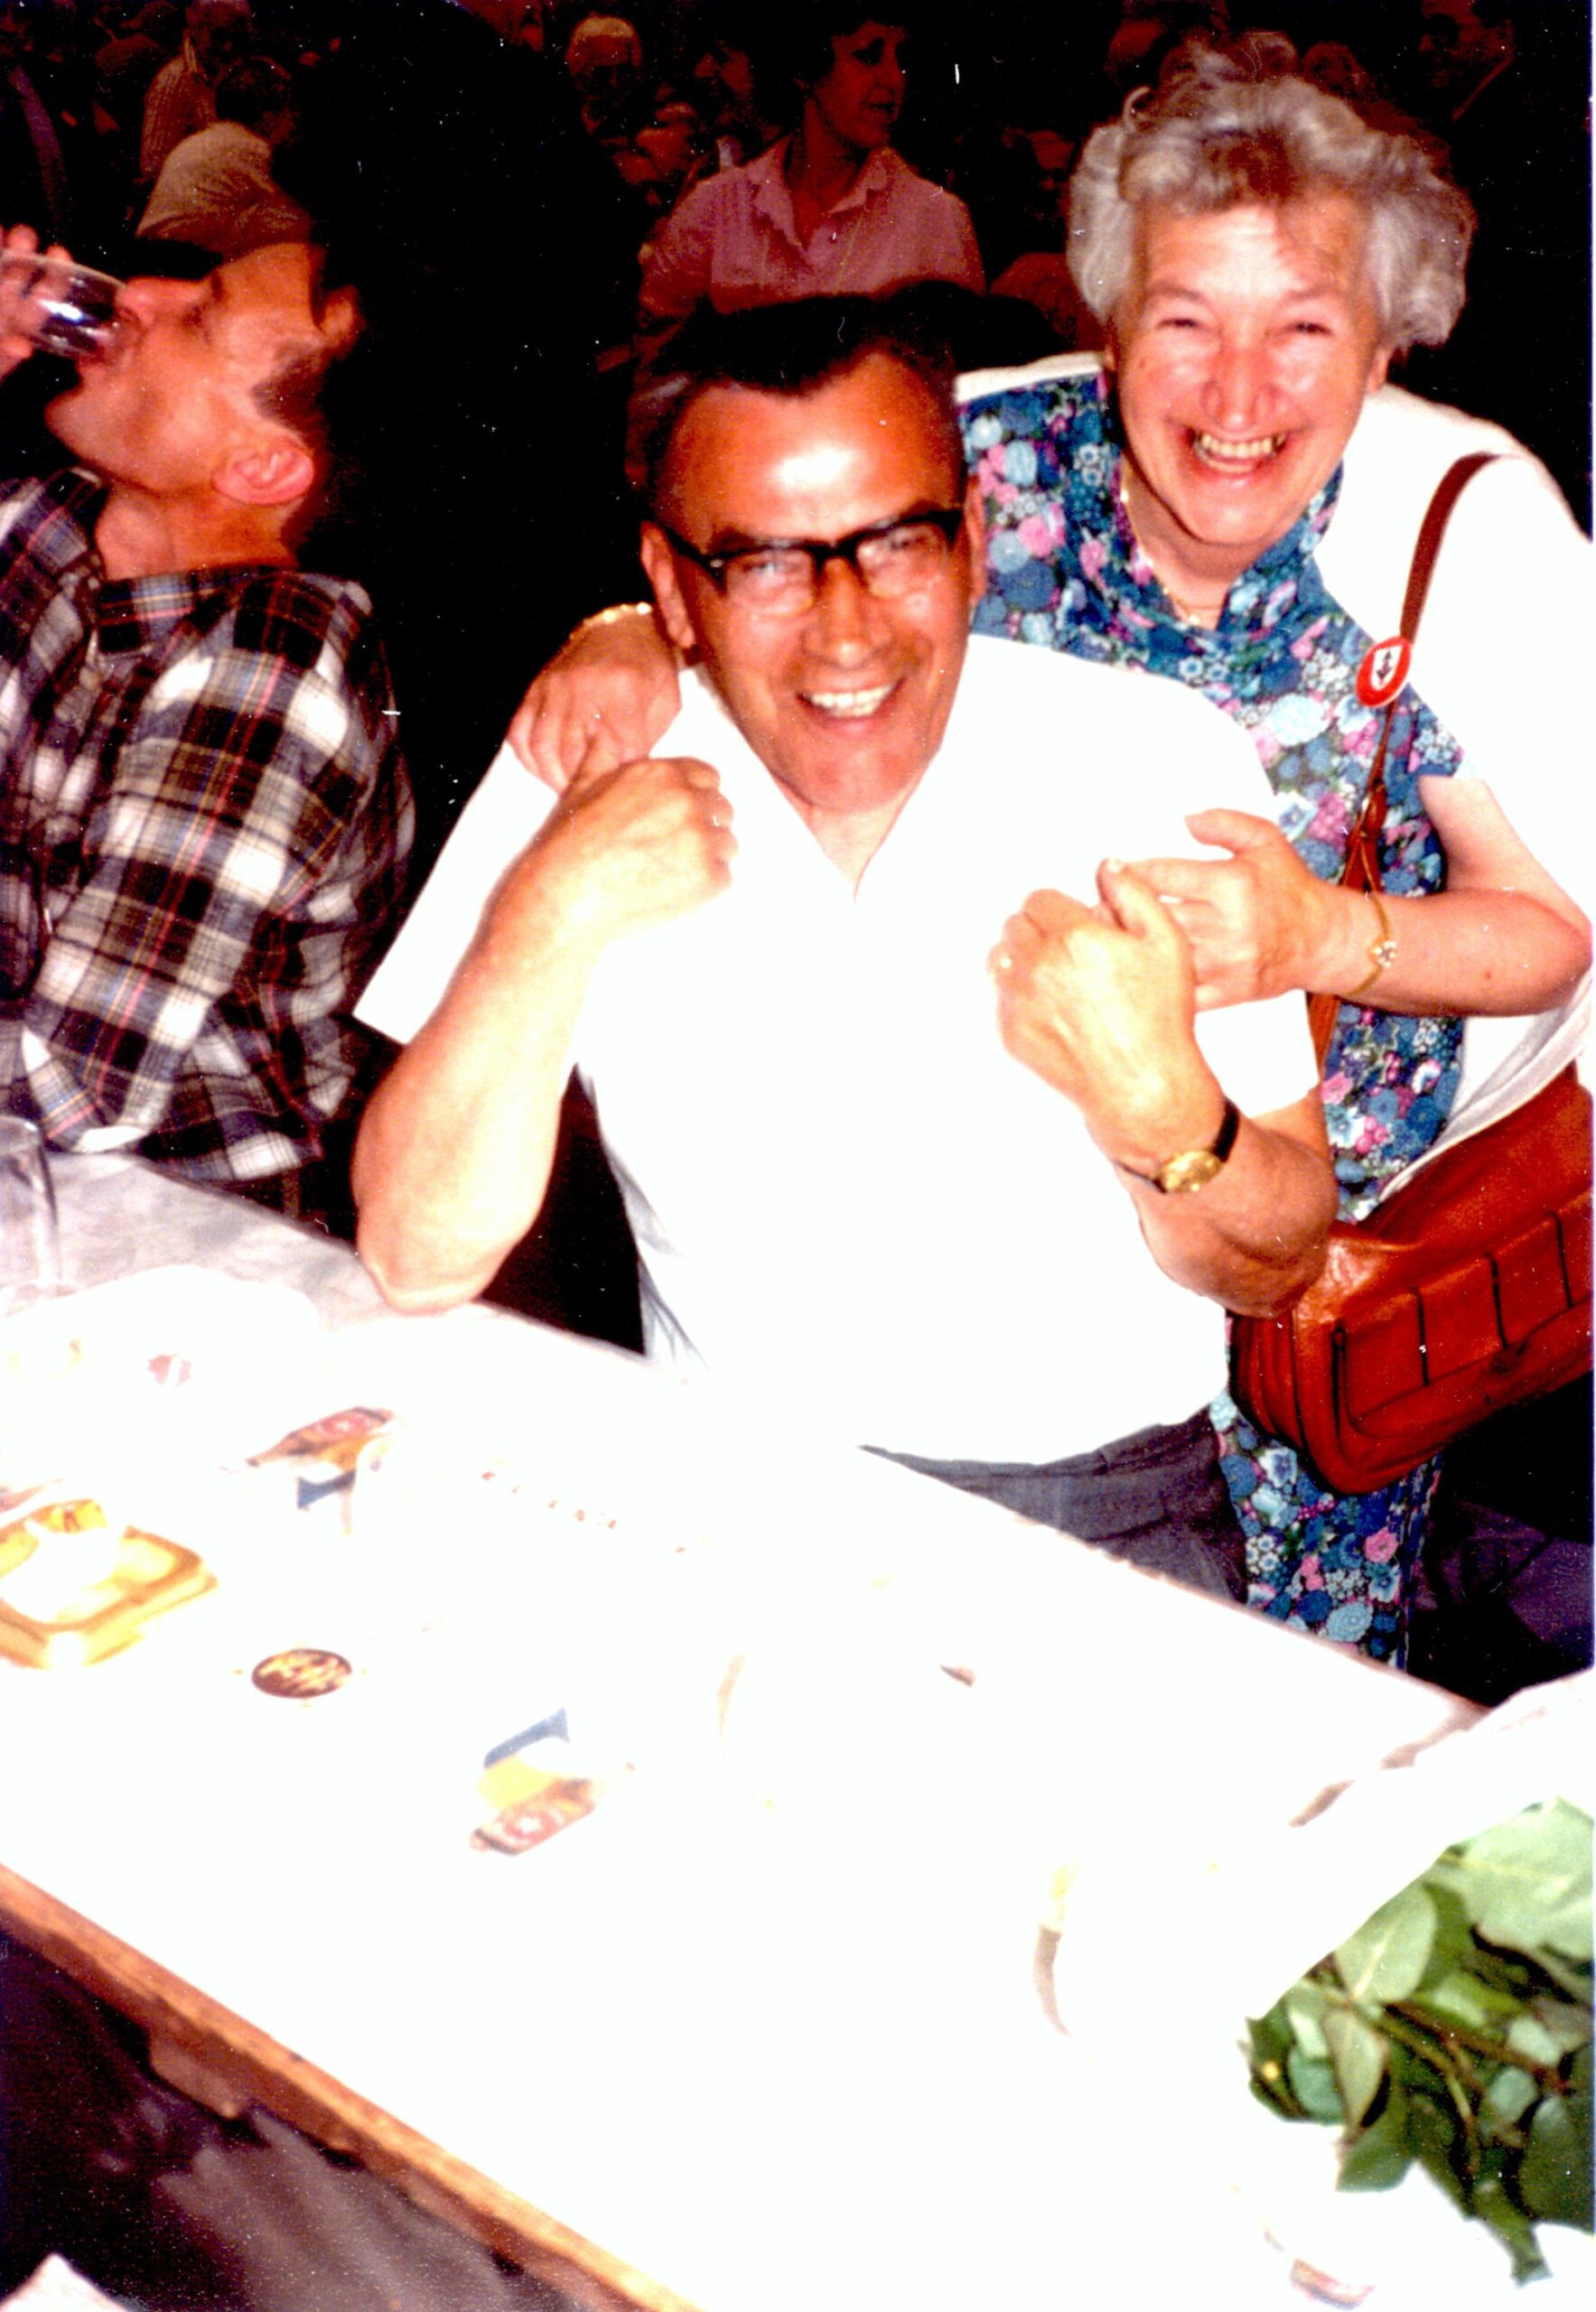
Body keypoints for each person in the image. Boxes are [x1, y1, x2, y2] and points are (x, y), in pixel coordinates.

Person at [501, 35, 1592, 1665]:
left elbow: (1556, 924)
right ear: (1104, 318)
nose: (1236, 395)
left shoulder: (1454, 525)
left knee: (1250, 1708)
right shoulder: (989, 456)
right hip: (983, 1251)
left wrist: (1310, 939)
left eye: (1303, 329)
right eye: (1184, 322)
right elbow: (754, 532)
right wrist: (620, 629)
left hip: (1312, 1261)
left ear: (1382, 344)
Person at [353, 296, 1335, 1596]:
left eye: (895, 543)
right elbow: (416, 1254)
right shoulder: (588, 766)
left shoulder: (1147, 758)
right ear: (670, 587)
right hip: (723, 1504)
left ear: (972, 542)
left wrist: (1160, 1110)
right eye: (765, 563)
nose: (847, 628)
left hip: (1092, 1520)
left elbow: (1278, 1262)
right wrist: (550, 912)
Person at [0, 225, 411, 1226]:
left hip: (170, 1236)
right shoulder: (54, 525)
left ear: (261, 468)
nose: (137, 292)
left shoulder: (267, 666)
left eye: (198, 317)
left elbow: (74, 1085)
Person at [637, 3, 983, 355]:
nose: (894, 79)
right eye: (868, 56)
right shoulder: (716, 208)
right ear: (805, 71)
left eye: (902, 60)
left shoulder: (936, 219)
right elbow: (655, 360)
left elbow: (963, 374)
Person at [136, 54, 310, 261]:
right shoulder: (251, 148)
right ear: (269, 115)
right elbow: (290, 211)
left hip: (150, 249)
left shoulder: (205, 139)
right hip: (186, 256)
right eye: (287, 110)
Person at [138, 0, 250, 188]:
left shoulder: (238, 71)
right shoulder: (175, 81)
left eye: (237, 37)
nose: (228, 46)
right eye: (220, 36)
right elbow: (154, 165)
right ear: (196, 29)